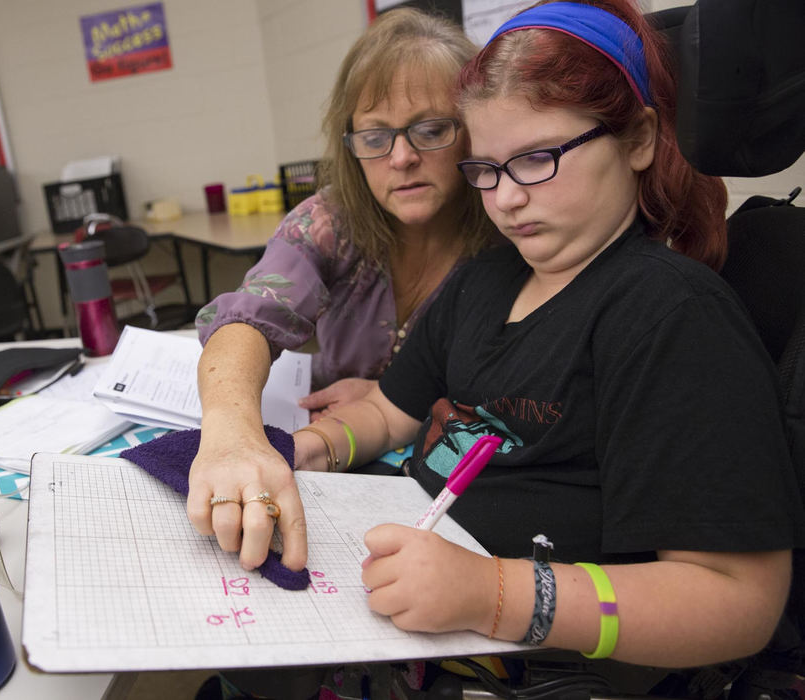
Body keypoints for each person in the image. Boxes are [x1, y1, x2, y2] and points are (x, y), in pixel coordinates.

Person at [288, 0, 804, 670]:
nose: (504, 198)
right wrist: (315, 446)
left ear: (639, 140)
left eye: (536, 159)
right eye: (485, 169)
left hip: (525, 658)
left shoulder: (669, 315)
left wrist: (492, 594)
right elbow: (392, 409)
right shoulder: (485, 282)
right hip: (409, 596)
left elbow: (736, 603)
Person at [189, 8, 495, 576]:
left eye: (430, 130)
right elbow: (249, 320)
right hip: (335, 461)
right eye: (376, 137)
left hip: (444, 497)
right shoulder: (331, 222)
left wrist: (390, 392)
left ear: (472, 128)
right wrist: (233, 435)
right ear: (349, 141)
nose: (401, 158)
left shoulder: (507, 234)